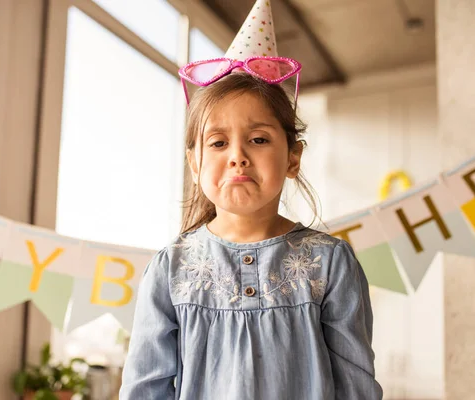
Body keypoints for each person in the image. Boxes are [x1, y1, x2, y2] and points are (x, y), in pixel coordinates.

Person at [119, 1, 383, 399]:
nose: (238, 155)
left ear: (293, 157)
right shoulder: (171, 268)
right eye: (219, 142)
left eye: (259, 139)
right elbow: (144, 389)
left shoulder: (330, 262)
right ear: (195, 163)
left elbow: (356, 385)